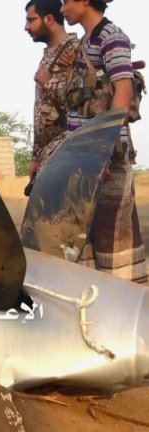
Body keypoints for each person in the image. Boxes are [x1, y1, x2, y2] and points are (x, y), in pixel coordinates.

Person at [60, 0, 147, 283]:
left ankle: (125, 319)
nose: (62, 9)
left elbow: (122, 92)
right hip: (84, 160)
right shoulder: (86, 41)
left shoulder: (112, 38)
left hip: (104, 158)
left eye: (66, 2)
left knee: (114, 246)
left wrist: (101, 152)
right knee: (82, 242)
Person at [25, 0, 79, 183]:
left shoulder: (76, 50)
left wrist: (48, 82)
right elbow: (42, 113)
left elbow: (82, 104)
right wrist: (36, 157)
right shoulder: (49, 55)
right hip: (48, 151)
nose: (26, 27)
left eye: (30, 20)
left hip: (67, 149)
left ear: (48, 19)